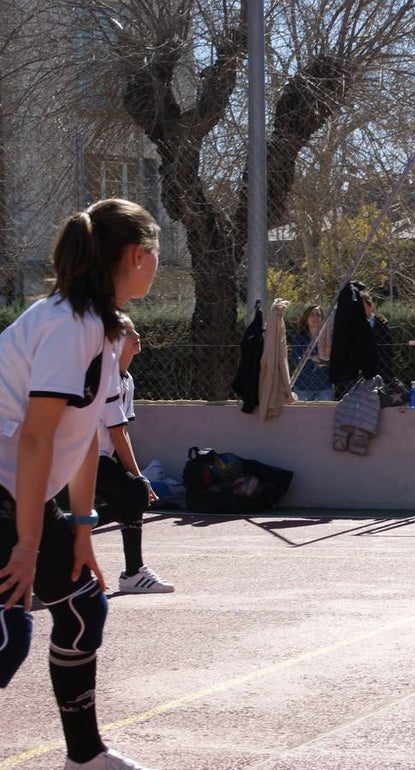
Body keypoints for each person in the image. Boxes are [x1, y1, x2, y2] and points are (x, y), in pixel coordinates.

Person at [0, 198, 160, 769]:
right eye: (154, 254)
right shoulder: (71, 325)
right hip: (6, 491)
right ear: (139, 255)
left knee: (81, 607)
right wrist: (26, 545)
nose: (154, 264)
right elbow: (36, 438)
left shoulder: (105, 329)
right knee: (6, 639)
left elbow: (85, 436)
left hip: (19, 493)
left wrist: (83, 530)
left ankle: (85, 757)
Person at [97, 317, 174, 594]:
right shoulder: (106, 377)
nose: (136, 334)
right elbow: (117, 435)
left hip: (99, 458)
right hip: (77, 458)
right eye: (127, 332)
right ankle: (133, 572)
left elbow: (122, 433)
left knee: (133, 494)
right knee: (135, 491)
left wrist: (137, 478)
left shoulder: (126, 379)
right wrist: (140, 478)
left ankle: (66, 529)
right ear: (112, 343)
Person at [289, 305, 334, 401]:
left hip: (324, 387)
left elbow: (332, 361)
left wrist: (311, 357)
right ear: (306, 319)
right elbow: (297, 360)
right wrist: (319, 359)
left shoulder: (329, 339)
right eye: (312, 315)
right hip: (302, 387)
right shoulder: (299, 339)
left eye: (318, 315)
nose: (315, 317)